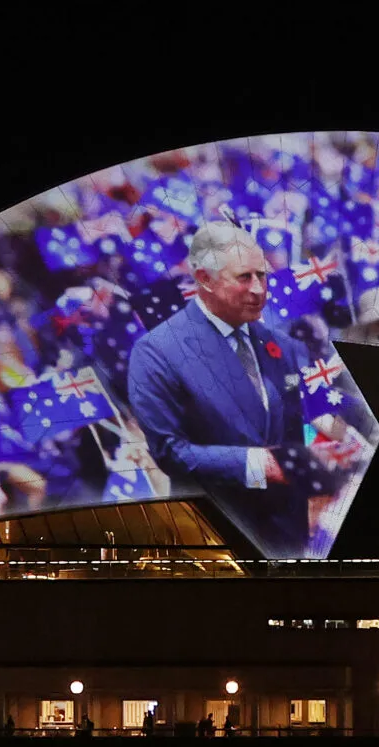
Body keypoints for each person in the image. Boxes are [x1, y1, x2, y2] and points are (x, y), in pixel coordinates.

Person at [125, 220, 329, 558]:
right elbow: (169, 452)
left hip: (289, 539)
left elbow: (300, 427)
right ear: (204, 279)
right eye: (244, 278)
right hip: (215, 541)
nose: (259, 289)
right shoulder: (157, 352)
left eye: (262, 275)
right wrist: (255, 464)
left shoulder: (286, 347)